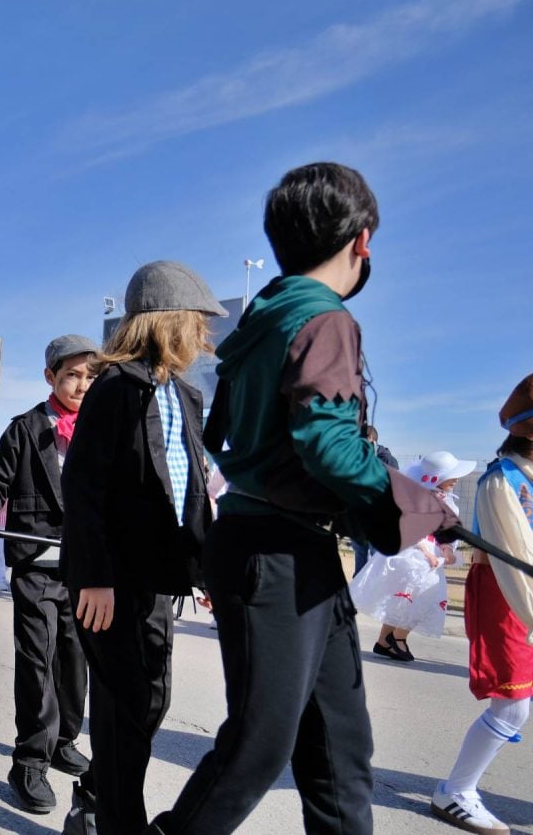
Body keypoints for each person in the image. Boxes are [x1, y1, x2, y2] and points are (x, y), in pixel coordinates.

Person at [147, 162, 456, 835]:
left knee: (340, 752)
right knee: (260, 746)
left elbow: (249, 439)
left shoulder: (264, 317)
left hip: (290, 546)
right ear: (362, 242)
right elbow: (327, 444)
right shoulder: (324, 320)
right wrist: (430, 510)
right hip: (276, 551)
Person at [60, 262, 224, 831]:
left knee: (152, 702)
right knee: (125, 710)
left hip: (159, 579)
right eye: (196, 323)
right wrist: (95, 576)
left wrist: (205, 571)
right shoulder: (115, 387)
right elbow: (83, 488)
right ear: (168, 322)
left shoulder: (186, 393)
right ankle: (116, 821)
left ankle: (93, 795)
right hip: (112, 581)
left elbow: (190, 490)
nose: (203, 337)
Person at [0, 334, 97, 813]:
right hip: (36, 568)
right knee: (38, 662)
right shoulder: (26, 428)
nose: (82, 385)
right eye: (72, 376)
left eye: (90, 377)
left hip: (87, 573)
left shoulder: (102, 430)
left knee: (76, 663)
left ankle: (65, 738)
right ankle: (29, 761)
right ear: (51, 377)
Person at [429, 376, 533, 835]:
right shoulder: (502, 481)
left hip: (521, 593)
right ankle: (456, 791)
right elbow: (518, 561)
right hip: (510, 594)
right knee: (511, 706)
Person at [350, 451, 472, 661]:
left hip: (428, 556)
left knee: (406, 598)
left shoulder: (447, 499)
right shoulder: (416, 498)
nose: (456, 479)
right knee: (424, 597)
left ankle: (385, 640)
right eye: (451, 476)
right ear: (437, 477)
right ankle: (397, 638)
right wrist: (427, 551)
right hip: (412, 555)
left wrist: (448, 548)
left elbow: (450, 530)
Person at [350, 424, 400, 574]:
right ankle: (357, 592)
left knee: (376, 557)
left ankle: (373, 591)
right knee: (360, 554)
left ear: (371, 439)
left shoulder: (387, 460)